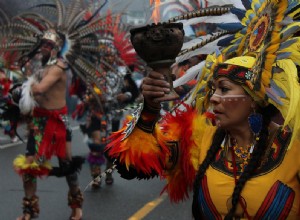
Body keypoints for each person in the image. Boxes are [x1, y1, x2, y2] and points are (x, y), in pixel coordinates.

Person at [106, 1, 300, 219]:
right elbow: (133, 166)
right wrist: (150, 108)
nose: (214, 98)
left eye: (225, 90)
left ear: (254, 99)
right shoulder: (201, 139)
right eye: (213, 89)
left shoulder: (293, 147)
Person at [13, 29, 84, 220]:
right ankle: (29, 211)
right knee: (28, 167)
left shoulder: (58, 68)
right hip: (38, 122)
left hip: (59, 122)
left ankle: (77, 207)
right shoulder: (39, 67)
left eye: (49, 45)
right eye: (43, 44)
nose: (44, 47)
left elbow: (41, 88)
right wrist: (18, 92)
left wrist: (23, 89)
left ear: (57, 49)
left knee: (67, 165)